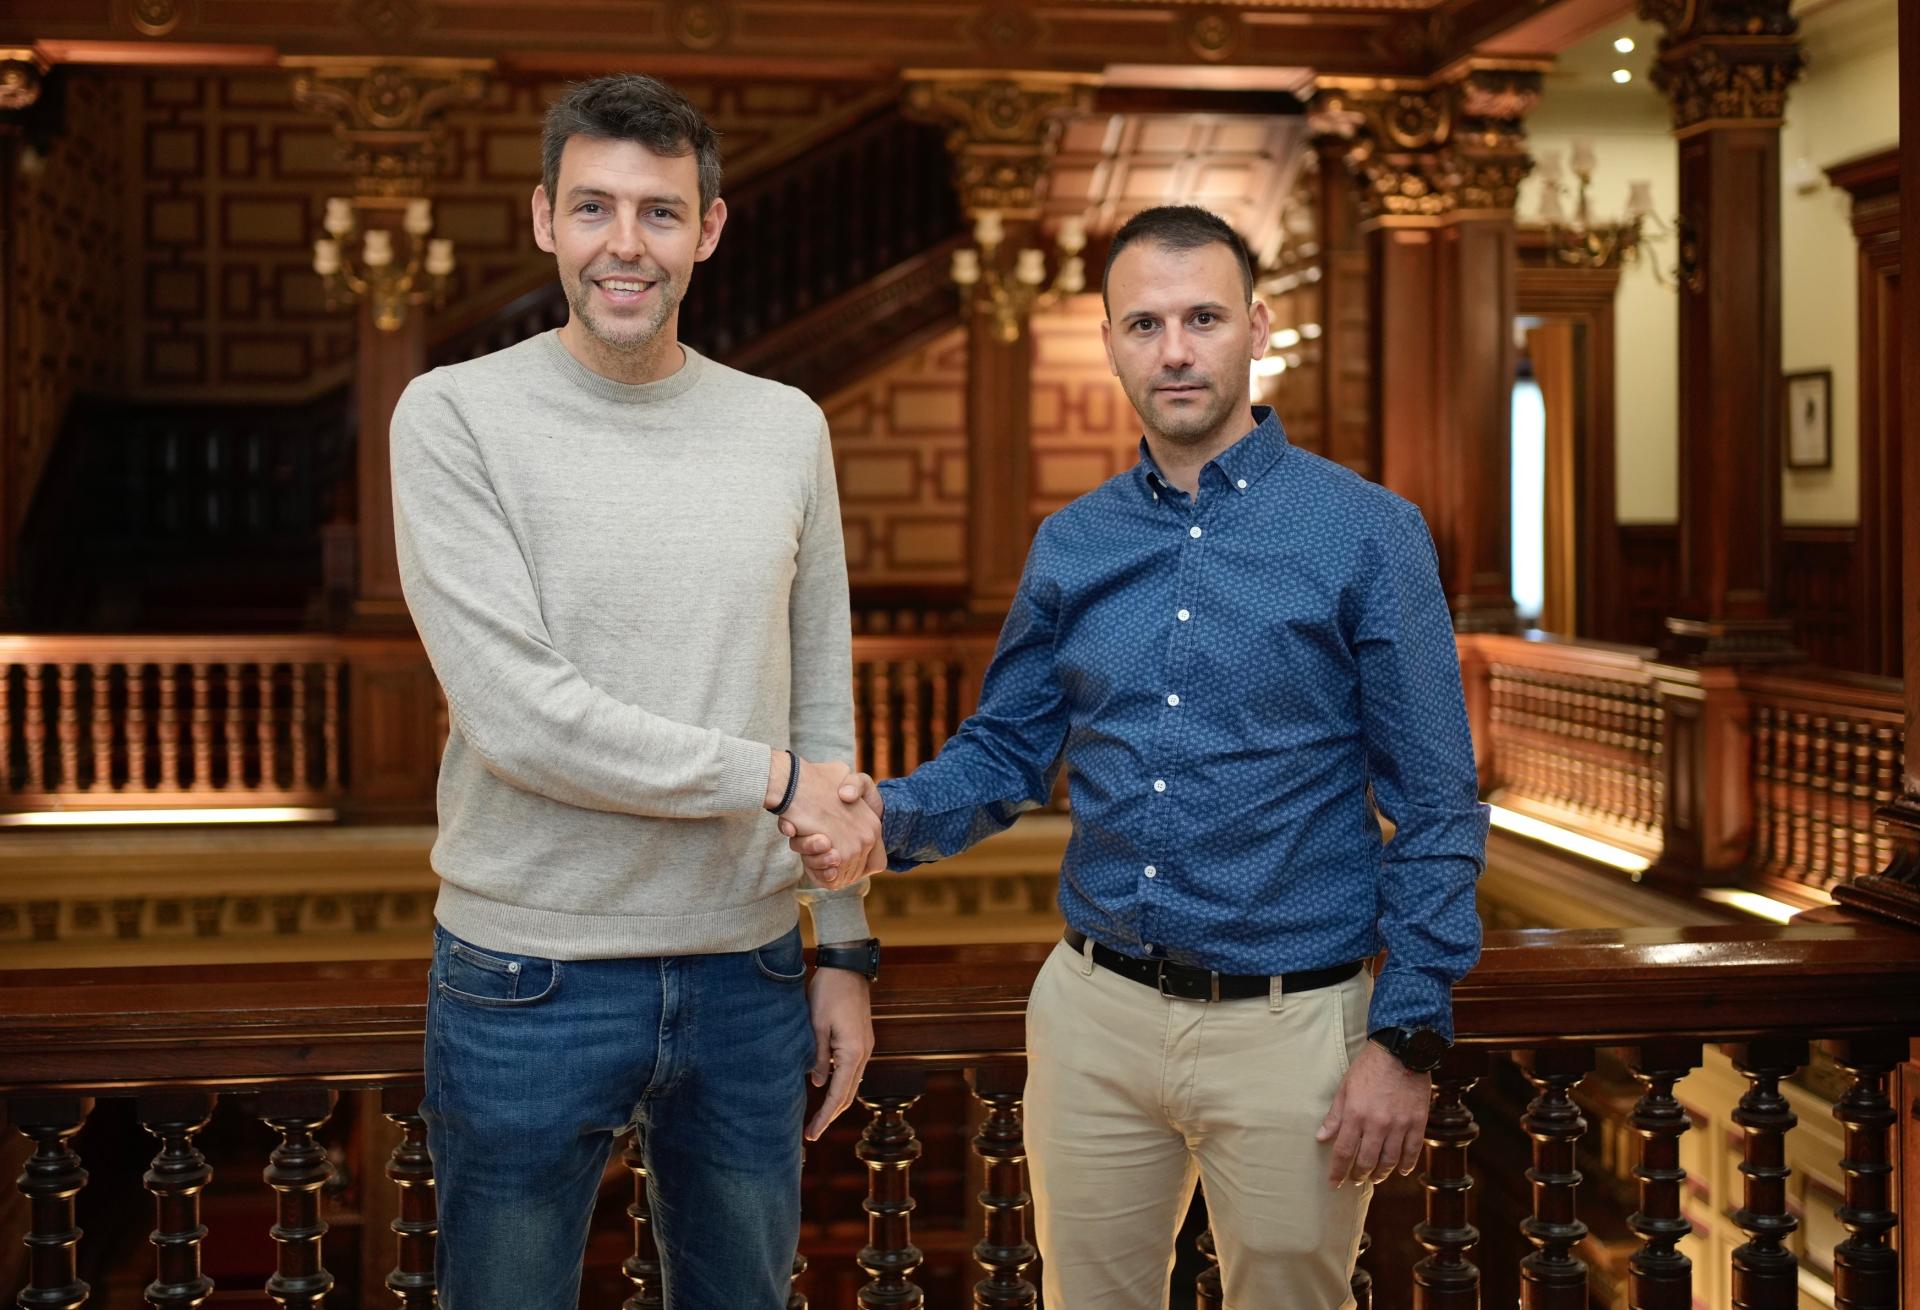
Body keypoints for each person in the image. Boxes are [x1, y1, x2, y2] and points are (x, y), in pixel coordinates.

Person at [787, 204, 1487, 1309]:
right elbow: (1006, 752)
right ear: (1109, 339)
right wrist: (883, 818)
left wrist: (1407, 1031)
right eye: (1144, 322)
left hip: (1295, 1026)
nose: (1174, 349)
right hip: (1094, 1013)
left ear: (1256, 325)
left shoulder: (1367, 532)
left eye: (1202, 317)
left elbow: (1440, 803)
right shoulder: (1074, 541)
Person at [390, 73, 886, 1310]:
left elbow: (821, 697)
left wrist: (847, 946)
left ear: (708, 230)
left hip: (750, 971)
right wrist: (767, 777)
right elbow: (519, 717)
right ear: (544, 217)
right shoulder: (452, 415)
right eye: (596, 208)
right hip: (528, 974)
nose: (627, 244)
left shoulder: (785, 426)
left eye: (661, 213)